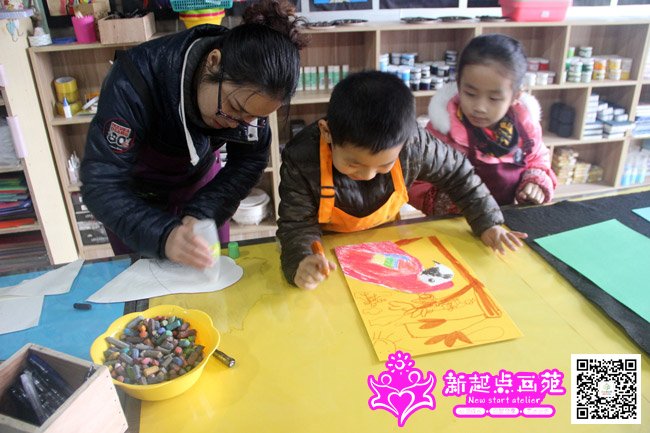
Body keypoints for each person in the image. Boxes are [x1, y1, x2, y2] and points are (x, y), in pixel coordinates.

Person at [80, 0, 307, 269]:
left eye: (254, 117)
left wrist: (205, 211)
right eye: (235, 108)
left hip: (201, 182)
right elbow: (101, 183)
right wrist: (163, 235)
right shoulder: (134, 80)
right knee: (148, 282)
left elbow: (249, 160)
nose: (240, 124)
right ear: (213, 61)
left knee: (211, 276)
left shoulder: (252, 95)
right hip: (133, 201)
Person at [277, 70, 528, 290]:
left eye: (384, 165)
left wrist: (487, 222)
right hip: (326, 255)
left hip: (387, 244)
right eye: (353, 163)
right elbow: (297, 225)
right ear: (327, 132)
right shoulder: (302, 158)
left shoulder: (415, 145)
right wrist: (302, 261)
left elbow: (458, 173)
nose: (368, 175)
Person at [409, 34, 557, 216]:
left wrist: (535, 182)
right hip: (454, 223)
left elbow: (537, 159)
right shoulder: (441, 131)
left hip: (506, 219)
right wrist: (444, 202)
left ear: (515, 97)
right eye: (470, 94)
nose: (480, 107)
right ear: (458, 85)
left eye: (494, 98)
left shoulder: (525, 127)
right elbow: (415, 180)